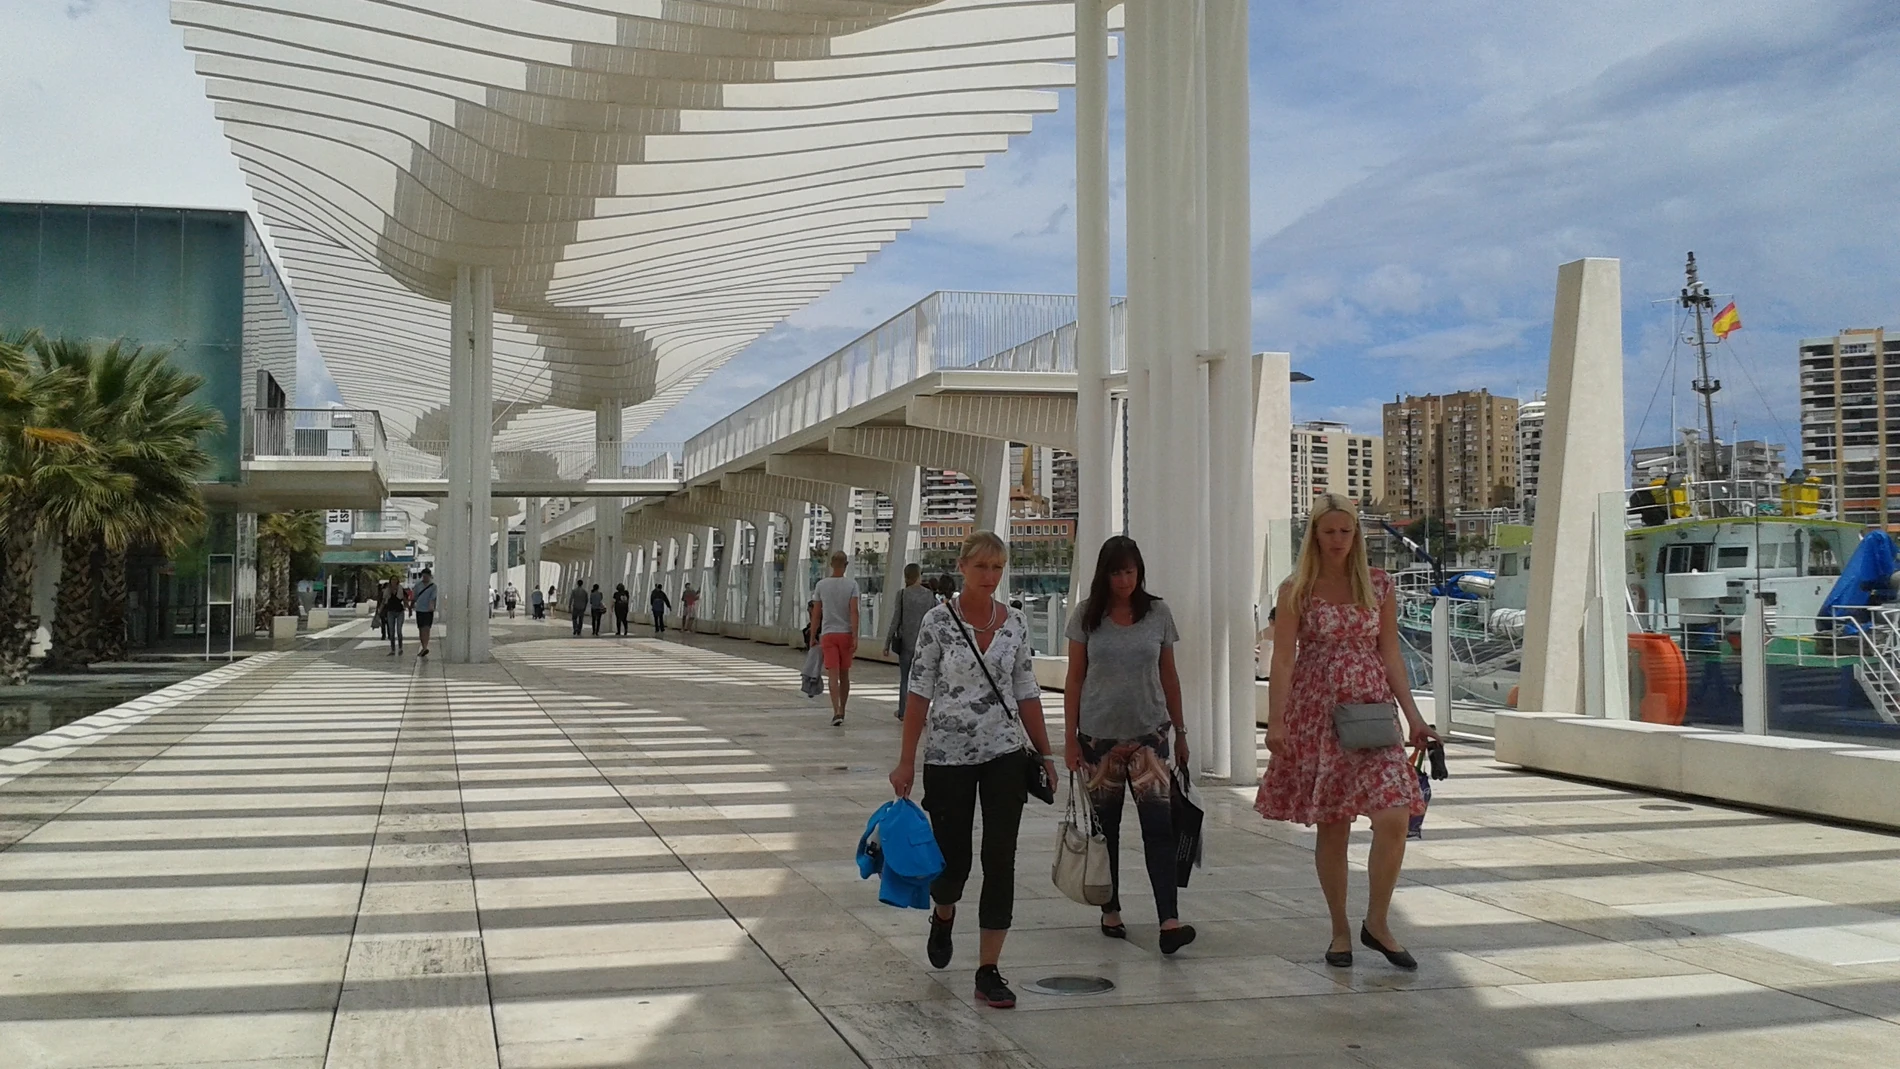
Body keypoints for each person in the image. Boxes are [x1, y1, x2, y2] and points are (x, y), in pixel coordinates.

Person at [1257, 493, 1437, 971]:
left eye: (1346, 530)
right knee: (1333, 824)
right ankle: (1340, 929)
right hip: (1317, 713)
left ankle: (1377, 921)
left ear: (1356, 534)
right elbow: (1283, 658)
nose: (1338, 539)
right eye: (1329, 531)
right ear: (1314, 535)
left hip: (1372, 712)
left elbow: (1391, 653)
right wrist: (1277, 721)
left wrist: (1414, 717)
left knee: (1393, 815)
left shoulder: (1378, 584)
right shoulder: (1296, 588)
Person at [890, 531, 1057, 1010]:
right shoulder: (938, 622)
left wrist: (1046, 754)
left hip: (1004, 755)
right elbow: (919, 692)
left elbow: (1026, 690)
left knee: (1000, 858)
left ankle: (988, 969)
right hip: (947, 757)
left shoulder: (1015, 622)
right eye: (982, 566)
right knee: (954, 862)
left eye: (998, 567)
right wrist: (906, 759)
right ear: (962, 567)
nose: (990, 576)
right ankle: (943, 914)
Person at [1062, 535, 1195, 954]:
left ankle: (1169, 921)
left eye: (1130, 572)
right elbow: (1074, 678)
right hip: (1098, 738)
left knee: (1159, 827)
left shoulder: (1158, 613)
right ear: (1104, 574)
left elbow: (1169, 675)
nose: (1124, 580)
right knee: (1108, 831)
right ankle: (1111, 909)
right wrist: (1069, 738)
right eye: (1117, 572)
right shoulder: (1086, 616)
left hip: (1149, 735)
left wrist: (1181, 731)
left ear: (1140, 572)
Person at [810, 550, 860, 727]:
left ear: (831, 564)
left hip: (828, 634)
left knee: (833, 674)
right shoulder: (852, 585)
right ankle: (843, 709)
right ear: (846, 565)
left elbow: (816, 613)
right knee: (844, 675)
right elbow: (854, 612)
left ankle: (836, 710)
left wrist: (812, 635)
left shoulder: (821, 585)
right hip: (846, 634)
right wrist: (855, 635)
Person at [884, 563, 938, 721]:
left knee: (905, 679)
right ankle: (922, 714)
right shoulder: (929, 595)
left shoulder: (902, 594)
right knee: (923, 680)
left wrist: (887, 643)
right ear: (919, 575)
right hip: (925, 645)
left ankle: (903, 711)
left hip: (906, 644)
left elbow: (896, 620)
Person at [410, 568, 437, 657]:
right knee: (421, 629)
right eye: (424, 576)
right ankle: (423, 646)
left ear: (430, 576)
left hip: (428, 610)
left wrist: (431, 606)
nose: (425, 577)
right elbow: (414, 596)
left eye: (427, 576)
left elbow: (433, 598)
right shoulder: (418, 585)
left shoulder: (433, 586)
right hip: (419, 609)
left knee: (427, 628)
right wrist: (411, 607)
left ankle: (425, 647)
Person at [381, 583, 406, 655]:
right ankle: (393, 649)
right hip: (390, 612)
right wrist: (379, 610)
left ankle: (400, 648)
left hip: (400, 612)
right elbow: (383, 601)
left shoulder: (400, 590)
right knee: (391, 632)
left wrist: (409, 608)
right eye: (392, 581)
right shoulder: (387, 591)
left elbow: (404, 599)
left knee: (399, 631)